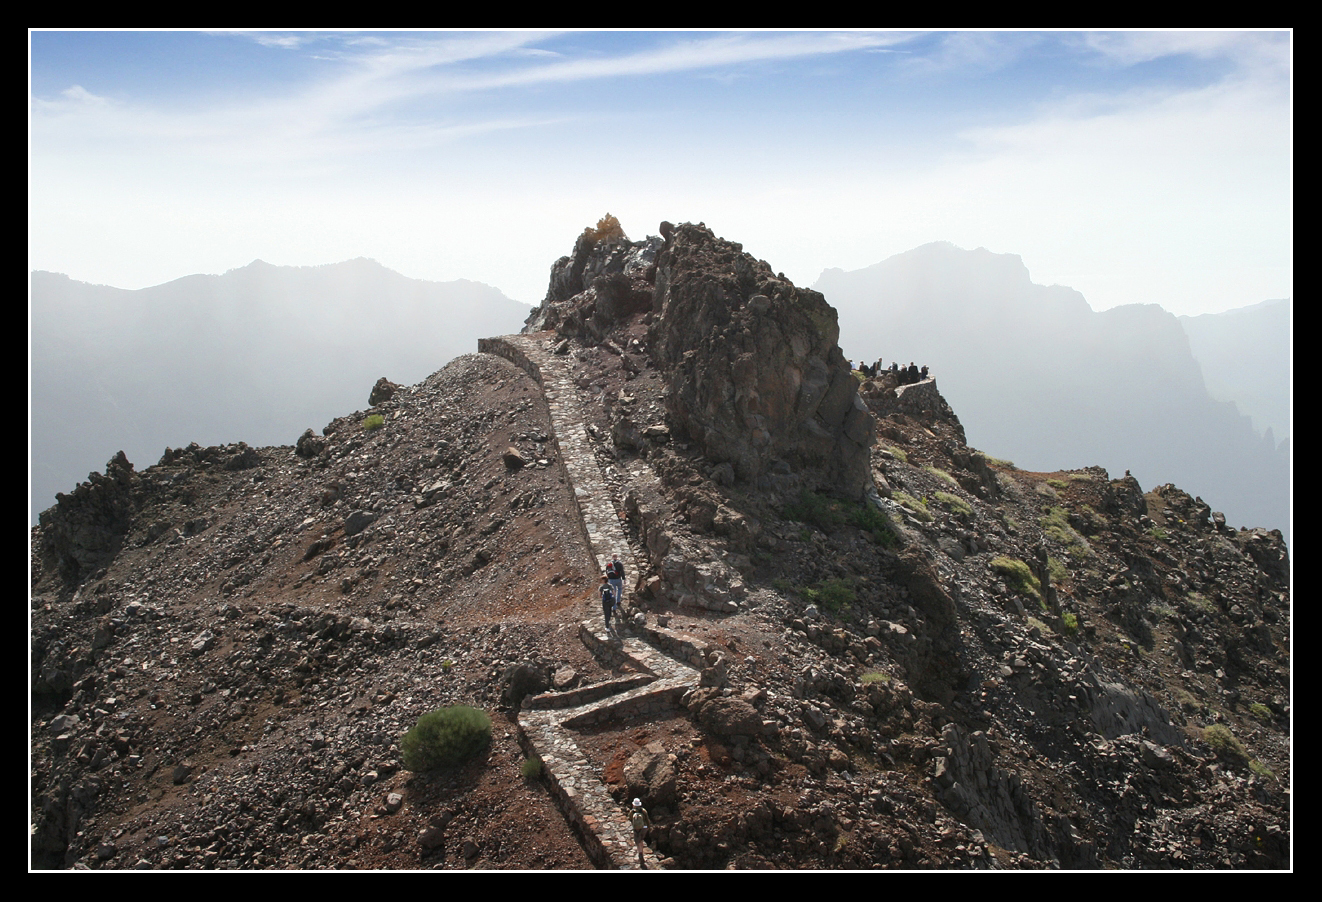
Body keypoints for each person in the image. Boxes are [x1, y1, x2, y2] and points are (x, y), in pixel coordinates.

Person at [630, 797, 652, 865]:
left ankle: (639, 852)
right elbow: (647, 820)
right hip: (643, 827)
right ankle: (642, 852)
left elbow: (630, 819)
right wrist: (648, 827)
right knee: (642, 840)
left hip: (636, 828)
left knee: (637, 841)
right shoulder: (643, 811)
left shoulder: (632, 812)